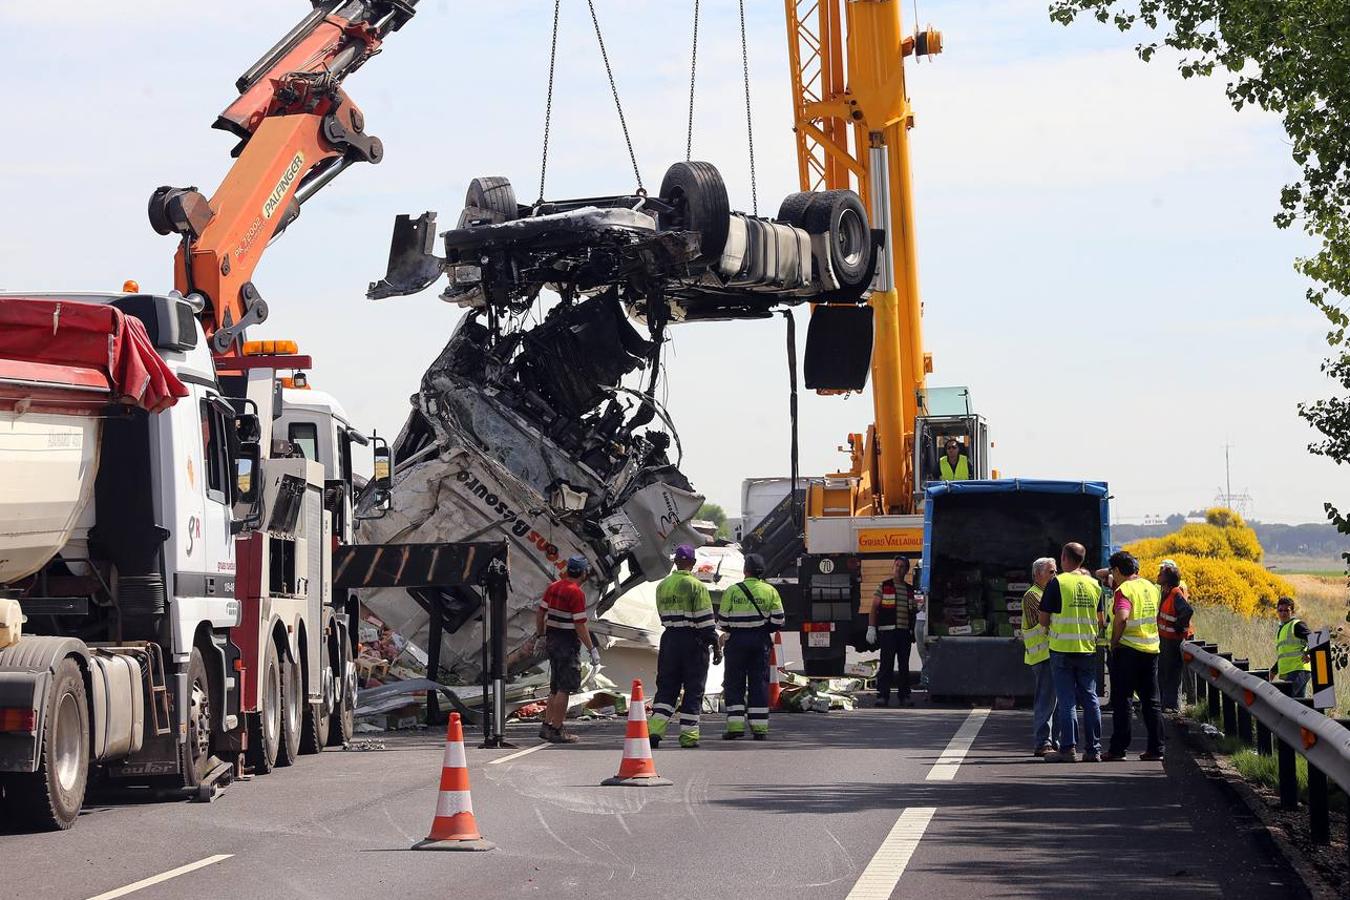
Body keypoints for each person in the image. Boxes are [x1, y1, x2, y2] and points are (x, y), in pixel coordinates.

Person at [1039, 542, 1104, 763]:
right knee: (1091, 698)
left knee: (1066, 701)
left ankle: (1068, 748)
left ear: (1064, 558)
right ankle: (1094, 749)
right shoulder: (1095, 584)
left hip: (1062, 650)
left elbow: (1043, 618)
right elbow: (1101, 620)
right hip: (1087, 648)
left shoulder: (1057, 582)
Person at [649, 544, 719, 749]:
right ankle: (688, 737)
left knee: (666, 687)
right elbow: (706, 621)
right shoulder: (697, 586)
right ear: (693, 563)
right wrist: (714, 643)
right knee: (693, 689)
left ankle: (654, 730)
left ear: (675, 561)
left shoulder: (662, 586)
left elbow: (662, 615)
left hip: (670, 639)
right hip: (693, 641)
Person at [532, 555, 600, 744]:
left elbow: (540, 613)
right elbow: (580, 625)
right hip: (567, 643)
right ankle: (557, 729)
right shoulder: (576, 593)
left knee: (554, 686)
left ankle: (547, 726)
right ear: (583, 572)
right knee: (565, 688)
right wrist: (592, 648)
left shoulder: (554, 587)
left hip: (552, 639)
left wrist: (541, 636)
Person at [1103, 551, 1164, 762]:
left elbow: (1121, 617)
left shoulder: (1124, 589)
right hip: (1151, 649)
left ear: (1118, 571)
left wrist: (1114, 641)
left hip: (1128, 649)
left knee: (1123, 701)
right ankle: (1156, 748)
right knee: (1151, 701)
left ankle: (1118, 749)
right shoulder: (1151, 587)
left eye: (1113, 571)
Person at [718, 553, 785, 740]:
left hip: (737, 642)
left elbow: (722, 620)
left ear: (745, 570)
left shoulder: (732, 591)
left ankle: (735, 727)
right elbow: (779, 620)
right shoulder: (770, 591)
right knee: (759, 683)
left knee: (734, 683)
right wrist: (763, 628)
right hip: (760, 642)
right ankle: (760, 728)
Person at [866, 557, 917, 707]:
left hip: (903, 633)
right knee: (886, 665)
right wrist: (871, 628)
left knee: (904, 666)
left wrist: (913, 629)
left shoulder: (909, 590)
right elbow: (874, 608)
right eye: (897, 566)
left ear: (906, 570)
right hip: (887, 632)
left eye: (902, 567)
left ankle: (904, 696)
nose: (899, 569)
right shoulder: (884, 586)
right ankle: (882, 696)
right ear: (893, 567)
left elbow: (913, 610)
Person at [1023, 557, 1061, 756]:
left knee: (1055, 702)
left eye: (1055, 571)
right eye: (1051, 572)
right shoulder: (1033, 595)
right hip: (1042, 655)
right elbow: (1047, 619)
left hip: (1053, 652)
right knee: (1046, 701)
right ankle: (1043, 742)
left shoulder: (1048, 592)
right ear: (1038, 574)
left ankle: (1054, 741)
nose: (1055, 575)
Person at [1156, 561, 1194, 712]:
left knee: (1172, 673)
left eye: (1161, 574)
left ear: (1167, 579)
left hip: (1172, 640)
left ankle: (1171, 705)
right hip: (1166, 639)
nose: (1158, 575)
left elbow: (1187, 611)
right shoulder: (1166, 592)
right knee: (1165, 671)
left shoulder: (1175, 593)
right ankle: (1166, 703)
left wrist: (1178, 626)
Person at [1269, 596, 1313, 697]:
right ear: (1277, 612)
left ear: (1292, 612)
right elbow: (1284, 655)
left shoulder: (1297, 625)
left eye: (1286, 610)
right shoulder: (1281, 629)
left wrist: (1308, 654)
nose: (1283, 613)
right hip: (1291, 672)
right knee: (1298, 706)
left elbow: (1314, 640)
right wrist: (1273, 671)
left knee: (1284, 700)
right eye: (1280, 610)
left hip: (1300, 669)